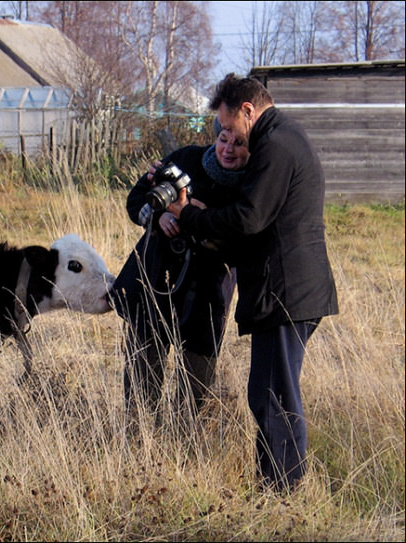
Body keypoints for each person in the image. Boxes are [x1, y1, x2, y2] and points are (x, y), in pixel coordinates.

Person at [166, 73, 339, 492]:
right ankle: (274, 484)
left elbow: (249, 218)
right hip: (289, 289)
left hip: (285, 291)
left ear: (248, 110)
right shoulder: (283, 137)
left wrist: (189, 216)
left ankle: (283, 492)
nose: (225, 136)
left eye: (228, 127)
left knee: (274, 396)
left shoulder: (276, 145)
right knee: (268, 391)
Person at [111, 118, 250, 421]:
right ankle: (138, 436)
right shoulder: (186, 159)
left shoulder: (252, 184)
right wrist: (158, 218)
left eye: (239, 143)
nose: (228, 149)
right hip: (157, 278)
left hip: (208, 289)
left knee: (196, 379)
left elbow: (244, 236)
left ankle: (181, 444)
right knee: (142, 365)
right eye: (224, 139)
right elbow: (136, 200)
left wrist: (200, 220)